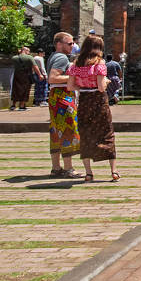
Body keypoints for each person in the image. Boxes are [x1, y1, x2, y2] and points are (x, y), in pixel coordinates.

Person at [67, 33, 119, 182]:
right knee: (106, 133)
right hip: (98, 101)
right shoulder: (99, 63)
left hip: (84, 101)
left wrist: (83, 86)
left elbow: (70, 86)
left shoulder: (75, 64)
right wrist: (107, 82)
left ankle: (89, 173)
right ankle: (113, 171)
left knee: (86, 134)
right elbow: (101, 87)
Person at [46, 32, 80, 178]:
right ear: (59, 44)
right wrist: (74, 77)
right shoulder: (60, 57)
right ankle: (68, 168)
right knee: (68, 130)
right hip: (62, 96)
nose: (73, 46)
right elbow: (53, 77)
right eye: (70, 43)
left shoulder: (54, 56)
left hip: (56, 97)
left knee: (55, 131)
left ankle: (56, 167)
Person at [10, 45, 35, 111]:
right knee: (25, 90)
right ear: (25, 51)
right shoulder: (29, 57)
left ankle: (13, 105)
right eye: (28, 51)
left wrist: (19, 53)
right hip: (26, 75)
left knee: (15, 90)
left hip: (17, 75)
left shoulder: (14, 58)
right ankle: (22, 105)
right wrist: (40, 74)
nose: (29, 52)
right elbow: (35, 66)